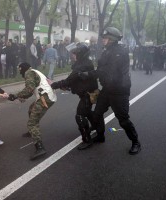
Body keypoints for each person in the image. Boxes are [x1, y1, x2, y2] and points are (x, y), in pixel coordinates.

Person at [80, 27, 141, 155]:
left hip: (119, 90)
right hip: (108, 88)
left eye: (106, 38)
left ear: (112, 39)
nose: (103, 40)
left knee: (123, 119)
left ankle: (136, 142)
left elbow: (106, 71)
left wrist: (89, 74)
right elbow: (102, 68)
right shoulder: (107, 51)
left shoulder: (119, 52)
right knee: (97, 113)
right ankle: (100, 136)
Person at [51, 43, 98, 150]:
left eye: (75, 53)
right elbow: (76, 81)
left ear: (81, 54)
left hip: (87, 94)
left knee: (80, 116)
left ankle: (87, 140)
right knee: (87, 112)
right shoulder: (82, 62)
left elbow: (70, 79)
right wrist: (67, 86)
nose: (72, 55)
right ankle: (97, 127)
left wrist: (55, 85)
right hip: (86, 93)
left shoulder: (83, 65)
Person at [8, 62, 57, 160]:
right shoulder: (34, 71)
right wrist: (21, 96)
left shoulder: (28, 73)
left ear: (22, 68)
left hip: (44, 98)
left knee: (31, 123)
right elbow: (32, 89)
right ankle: (32, 132)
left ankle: (40, 148)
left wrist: (15, 95)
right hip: (46, 96)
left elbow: (29, 89)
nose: (20, 72)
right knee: (31, 109)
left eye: (20, 69)